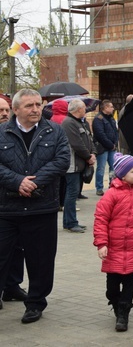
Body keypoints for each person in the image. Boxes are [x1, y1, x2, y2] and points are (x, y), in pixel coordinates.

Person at [0, 89, 70, 324]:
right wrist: (16, 181)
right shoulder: (2, 132)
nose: (36, 109)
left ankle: (36, 303)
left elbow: (62, 160)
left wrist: (33, 182)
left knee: (41, 260)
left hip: (42, 207)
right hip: (7, 209)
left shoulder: (54, 130)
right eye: (29, 105)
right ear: (16, 110)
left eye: (38, 105)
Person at [93, 153, 133, 332]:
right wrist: (102, 243)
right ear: (122, 174)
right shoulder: (111, 195)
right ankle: (115, 302)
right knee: (112, 288)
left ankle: (123, 313)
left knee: (130, 283)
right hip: (113, 248)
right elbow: (101, 219)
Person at [0, 95, 29, 307]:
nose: (4, 114)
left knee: (16, 247)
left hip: (15, 202)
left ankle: (11, 287)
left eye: (6, 110)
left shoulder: (15, 135)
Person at [60, 98, 96, 233]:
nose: (85, 110)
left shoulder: (80, 122)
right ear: (78, 109)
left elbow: (89, 139)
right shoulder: (69, 123)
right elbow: (76, 144)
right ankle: (70, 222)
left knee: (73, 193)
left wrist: (93, 153)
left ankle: (70, 221)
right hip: (72, 164)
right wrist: (88, 157)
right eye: (83, 108)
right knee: (72, 193)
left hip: (80, 163)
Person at [93, 100, 119, 195]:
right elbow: (100, 135)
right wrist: (110, 145)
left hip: (112, 147)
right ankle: (99, 188)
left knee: (114, 167)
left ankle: (112, 185)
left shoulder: (111, 118)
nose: (113, 108)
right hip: (102, 147)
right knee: (101, 168)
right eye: (111, 107)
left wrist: (115, 143)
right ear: (105, 108)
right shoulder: (98, 119)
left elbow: (115, 131)